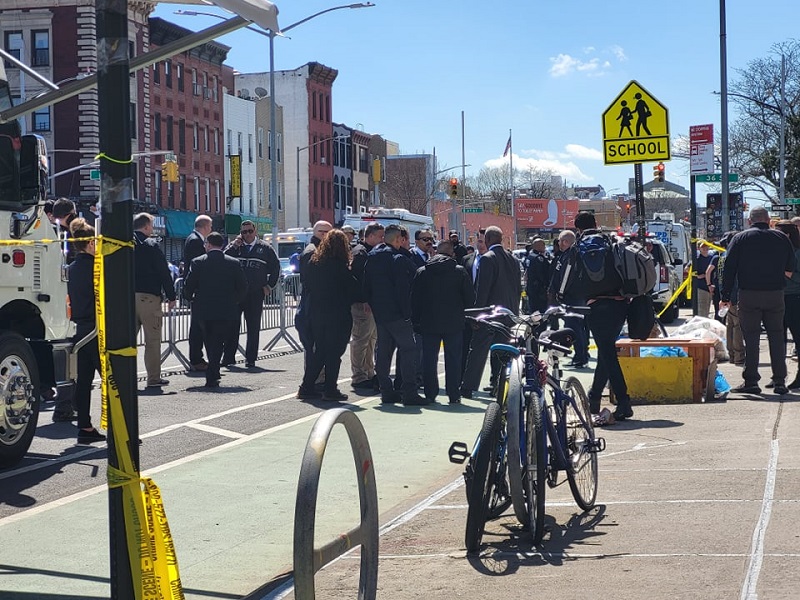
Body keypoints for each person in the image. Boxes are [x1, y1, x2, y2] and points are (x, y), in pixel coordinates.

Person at [559, 211, 633, 421]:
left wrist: (560, 296)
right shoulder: (611, 242)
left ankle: (624, 402)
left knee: (608, 353)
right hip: (619, 305)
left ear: (578, 228)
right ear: (596, 224)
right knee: (605, 351)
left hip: (596, 305)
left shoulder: (577, 247)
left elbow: (566, 276)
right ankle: (594, 398)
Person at [720, 207, 796, 395]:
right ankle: (779, 381)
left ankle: (751, 381)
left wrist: (725, 296)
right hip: (775, 294)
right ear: (769, 220)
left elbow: (729, 268)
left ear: (749, 221)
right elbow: (791, 265)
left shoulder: (740, 238)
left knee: (751, 338)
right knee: (777, 337)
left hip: (749, 294)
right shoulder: (781, 238)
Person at [364, 224, 427, 406]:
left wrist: (372, 304)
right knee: (409, 350)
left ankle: (386, 390)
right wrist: (407, 313)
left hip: (380, 312)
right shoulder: (398, 259)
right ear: (398, 240)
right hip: (397, 313)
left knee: (384, 351)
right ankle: (409, 391)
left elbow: (366, 284)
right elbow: (402, 289)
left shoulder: (373, 256)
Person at [460, 226, 521, 398]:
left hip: (490, 313)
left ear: (487, 240)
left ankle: (468, 387)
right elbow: (518, 288)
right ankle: (498, 384)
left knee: (478, 350)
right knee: (503, 353)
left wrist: (476, 315)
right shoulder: (513, 259)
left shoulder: (487, 259)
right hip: (508, 312)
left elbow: (482, 289)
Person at [297, 229, 358, 401]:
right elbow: (353, 291)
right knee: (334, 353)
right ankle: (330, 388)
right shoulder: (340, 267)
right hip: (337, 314)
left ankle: (307, 386)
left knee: (320, 351)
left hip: (317, 313)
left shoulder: (314, 263)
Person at [412, 240, 475, 404]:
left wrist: (416, 321)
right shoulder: (459, 271)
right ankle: (453, 393)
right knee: (453, 359)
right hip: (454, 322)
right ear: (452, 254)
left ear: (435, 252)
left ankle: (430, 393)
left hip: (429, 321)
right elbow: (470, 299)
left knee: (429, 359)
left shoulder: (423, 271)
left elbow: (415, 300)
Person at [183, 232, 247, 388]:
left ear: (209, 245)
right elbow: (243, 286)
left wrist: (190, 298)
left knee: (209, 340)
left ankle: (213, 372)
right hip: (226, 309)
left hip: (203, 309)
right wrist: (235, 300)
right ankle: (214, 371)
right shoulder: (233, 263)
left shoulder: (198, 262)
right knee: (218, 340)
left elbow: (188, 285)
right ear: (222, 245)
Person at [66, 218, 105, 444]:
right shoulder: (98, 269)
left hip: (77, 329)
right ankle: (122, 428)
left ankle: (85, 426)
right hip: (97, 328)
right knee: (112, 380)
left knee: (83, 381)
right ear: (91, 243)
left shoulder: (70, 270)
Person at [223, 220, 281, 368]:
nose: (247, 234)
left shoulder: (265, 248)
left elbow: (276, 268)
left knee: (253, 327)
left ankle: (250, 359)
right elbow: (222, 260)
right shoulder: (235, 247)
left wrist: (269, 286)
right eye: (244, 232)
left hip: (255, 293)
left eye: (249, 231)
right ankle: (229, 358)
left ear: (255, 231)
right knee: (231, 327)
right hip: (236, 294)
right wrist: (234, 245)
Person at [133, 213, 177, 388]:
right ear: (146, 227)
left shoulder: (123, 244)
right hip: (149, 298)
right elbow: (163, 272)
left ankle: (123, 378)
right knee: (152, 340)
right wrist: (171, 296)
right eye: (151, 225)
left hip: (126, 298)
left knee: (127, 342)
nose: (151, 229)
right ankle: (153, 378)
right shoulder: (151, 245)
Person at [350, 222, 385, 390]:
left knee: (371, 340)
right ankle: (359, 375)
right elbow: (358, 280)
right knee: (361, 340)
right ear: (370, 236)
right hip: (362, 305)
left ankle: (368, 372)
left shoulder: (370, 252)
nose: (382, 239)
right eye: (379, 236)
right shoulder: (360, 253)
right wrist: (365, 300)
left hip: (372, 303)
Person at [296, 221, 332, 381]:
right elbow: (310, 281)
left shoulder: (321, 250)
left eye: (329, 232)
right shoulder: (312, 252)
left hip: (316, 305)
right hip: (313, 307)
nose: (326, 235)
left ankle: (317, 379)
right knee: (315, 347)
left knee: (318, 346)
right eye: (323, 232)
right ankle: (314, 380)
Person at [550, 229, 589, 368]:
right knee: (579, 327)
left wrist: (560, 293)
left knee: (574, 328)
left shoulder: (570, 255)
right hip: (579, 296)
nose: (559, 243)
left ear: (565, 241)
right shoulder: (572, 254)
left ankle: (580, 357)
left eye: (560, 240)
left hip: (572, 297)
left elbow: (566, 275)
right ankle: (583, 355)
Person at [182, 214, 213, 371]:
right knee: (197, 327)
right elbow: (197, 266)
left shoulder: (194, 238)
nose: (211, 229)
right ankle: (196, 359)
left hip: (197, 289)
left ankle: (198, 358)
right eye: (210, 226)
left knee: (199, 326)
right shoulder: (195, 241)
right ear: (205, 226)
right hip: (198, 289)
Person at [774, 220, 800, 389]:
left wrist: (786, 272)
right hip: (777, 297)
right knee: (777, 338)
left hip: (794, 298)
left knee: (797, 337)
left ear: (788, 234)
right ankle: (778, 376)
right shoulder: (779, 252)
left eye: (778, 233)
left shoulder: (797, 253)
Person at [716, 231, 744, 366]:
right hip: (735, 295)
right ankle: (739, 356)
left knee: (730, 326)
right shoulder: (734, 257)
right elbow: (735, 279)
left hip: (725, 295)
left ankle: (732, 354)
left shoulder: (722, 256)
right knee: (738, 326)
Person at [525, 237, 550, 314]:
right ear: (538, 246)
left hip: (531, 288)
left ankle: (535, 325)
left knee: (533, 311)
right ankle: (540, 325)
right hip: (539, 291)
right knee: (541, 312)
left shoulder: (529, 256)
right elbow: (542, 275)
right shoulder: (539, 258)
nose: (545, 247)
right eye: (543, 245)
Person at [694, 242, 717, 318]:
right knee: (702, 309)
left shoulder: (712, 257)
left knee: (707, 308)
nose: (705, 248)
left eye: (706, 246)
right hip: (701, 287)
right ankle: (702, 326)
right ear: (699, 248)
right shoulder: (697, 259)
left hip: (711, 287)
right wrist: (698, 276)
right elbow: (687, 269)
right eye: (703, 247)